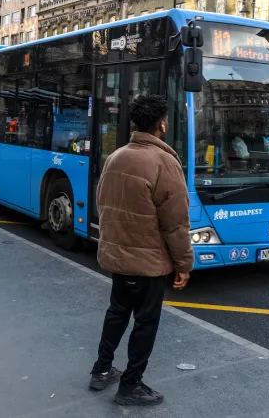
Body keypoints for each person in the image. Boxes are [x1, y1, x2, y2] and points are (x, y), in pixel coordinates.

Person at [89, 95, 194, 406]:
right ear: (161, 125)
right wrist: (183, 264)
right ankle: (130, 385)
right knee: (145, 323)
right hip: (148, 263)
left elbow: (102, 203)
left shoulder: (116, 156)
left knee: (117, 313)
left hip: (118, 258)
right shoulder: (165, 162)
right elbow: (175, 223)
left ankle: (101, 370)